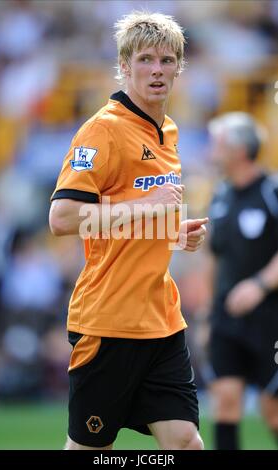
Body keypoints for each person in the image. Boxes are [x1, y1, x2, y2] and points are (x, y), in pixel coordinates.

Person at [49, 11, 207, 451]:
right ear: (124, 65)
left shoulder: (168, 130)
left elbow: (140, 213)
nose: (157, 70)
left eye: (167, 60)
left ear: (179, 67)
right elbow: (62, 219)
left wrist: (174, 231)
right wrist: (147, 207)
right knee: (90, 450)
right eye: (145, 60)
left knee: (186, 444)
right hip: (109, 322)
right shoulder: (104, 130)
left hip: (161, 319)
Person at [207, 112, 278, 450]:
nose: (212, 151)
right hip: (226, 317)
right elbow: (215, 258)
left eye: (217, 144)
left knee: (273, 409)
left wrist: (260, 285)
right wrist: (209, 312)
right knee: (224, 401)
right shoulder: (220, 196)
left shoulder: (272, 191)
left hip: (271, 318)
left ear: (239, 150)